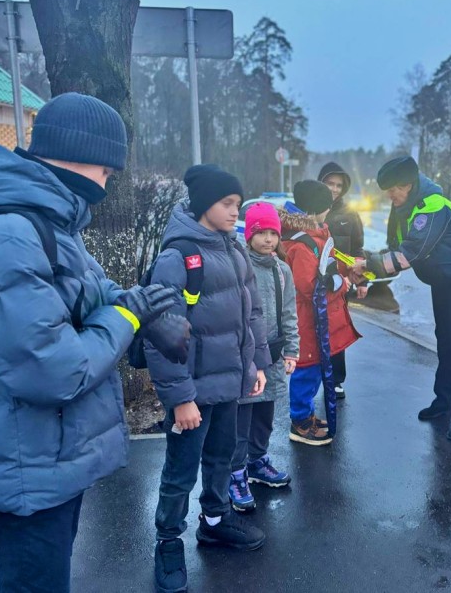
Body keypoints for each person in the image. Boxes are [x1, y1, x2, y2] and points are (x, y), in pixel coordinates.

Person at [0, 93, 186, 593]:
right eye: (109, 171)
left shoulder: (48, 222)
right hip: (29, 462)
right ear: (84, 155)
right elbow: (55, 370)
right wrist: (126, 317)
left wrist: (141, 311)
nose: (109, 184)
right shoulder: (9, 234)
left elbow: (94, 292)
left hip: (51, 453)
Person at [145, 164, 272, 593]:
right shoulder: (178, 256)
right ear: (204, 206)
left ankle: (215, 521)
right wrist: (181, 397)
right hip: (194, 392)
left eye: (238, 203)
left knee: (223, 459)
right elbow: (161, 330)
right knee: (180, 471)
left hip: (230, 385)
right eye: (228, 204)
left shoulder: (235, 250)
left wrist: (257, 364)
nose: (237, 211)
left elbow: (251, 314)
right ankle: (167, 543)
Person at [354, 156, 451, 441]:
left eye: (394, 191)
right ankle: (442, 403)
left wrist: (368, 265)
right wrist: (370, 274)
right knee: (445, 340)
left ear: (409, 185)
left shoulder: (432, 205)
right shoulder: (403, 205)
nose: (391, 197)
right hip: (444, 279)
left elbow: (409, 254)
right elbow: (394, 247)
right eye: (387, 192)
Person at [228, 202, 299, 512]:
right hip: (244, 356)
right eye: (262, 233)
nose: (269, 239)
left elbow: (289, 314)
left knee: (265, 416)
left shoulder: (282, 271)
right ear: (250, 234)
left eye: (273, 233)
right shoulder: (239, 266)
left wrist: (292, 349)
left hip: (271, 354)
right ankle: (236, 471)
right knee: (241, 419)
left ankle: (257, 461)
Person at [280, 180, 360, 445]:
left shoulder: (313, 236)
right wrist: (342, 284)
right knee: (307, 370)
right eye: (327, 207)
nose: (329, 212)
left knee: (313, 369)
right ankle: (300, 422)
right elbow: (310, 288)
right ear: (315, 210)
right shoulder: (302, 246)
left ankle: (305, 415)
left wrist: (351, 266)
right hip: (307, 320)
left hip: (314, 320)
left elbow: (331, 256)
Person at [318, 161, 367, 399]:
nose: (334, 189)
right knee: (311, 329)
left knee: (336, 330)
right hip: (314, 281)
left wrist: (362, 280)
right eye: (330, 183)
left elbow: (358, 248)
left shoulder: (350, 214)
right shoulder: (311, 209)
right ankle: (312, 375)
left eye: (339, 185)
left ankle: (336, 380)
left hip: (341, 284)